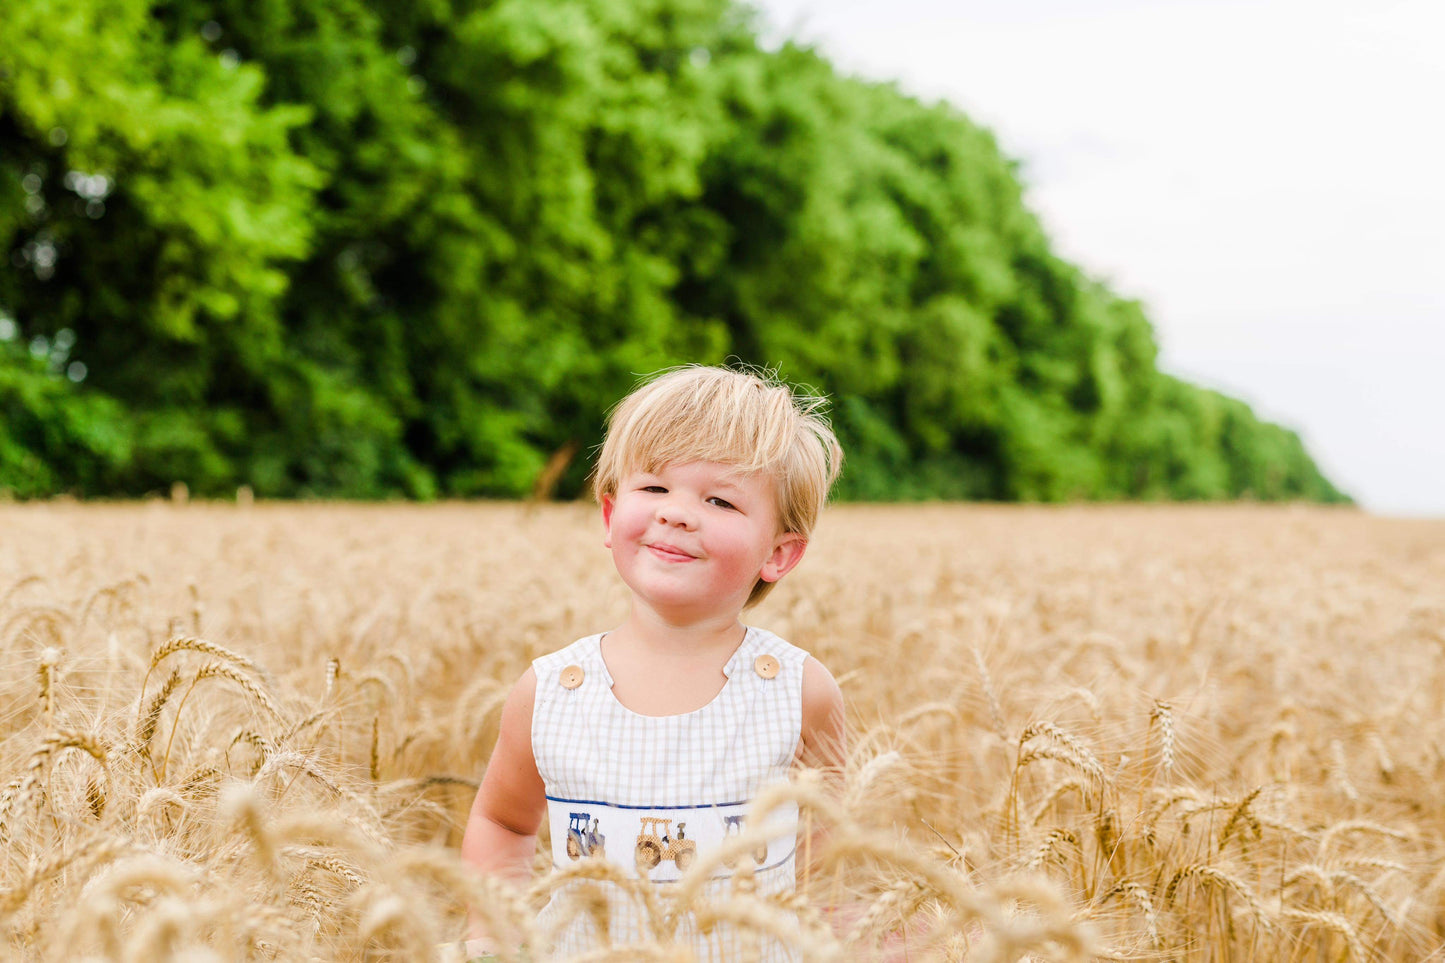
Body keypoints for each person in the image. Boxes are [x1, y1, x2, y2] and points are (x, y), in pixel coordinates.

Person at [459, 365, 847, 961]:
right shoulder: (553, 691)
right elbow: (504, 824)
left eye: (719, 499)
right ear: (611, 518)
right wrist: (490, 938)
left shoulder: (797, 691)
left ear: (778, 553)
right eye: (654, 489)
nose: (677, 513)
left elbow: (828, 852)